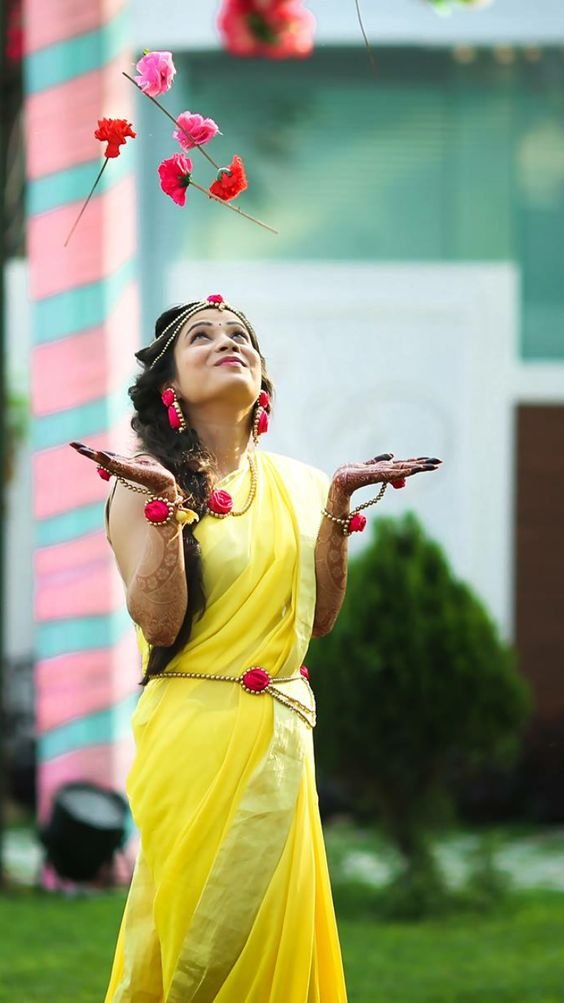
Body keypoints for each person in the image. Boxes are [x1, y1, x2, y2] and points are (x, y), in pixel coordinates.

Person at [70, 293, 441, 1002]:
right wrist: (169, 509)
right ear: (168, 387)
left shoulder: (302, 486)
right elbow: (157, 621)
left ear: (262, 379)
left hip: (282, 738)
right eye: (201, 336)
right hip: (196, 738)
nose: (225, 340)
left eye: (239, 333)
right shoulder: (143, 482)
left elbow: (320, 620)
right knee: (196, 949)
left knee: (275, 951)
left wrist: (336, 508)